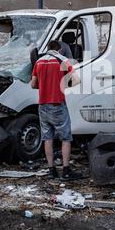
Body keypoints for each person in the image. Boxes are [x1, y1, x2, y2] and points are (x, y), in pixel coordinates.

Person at [30, 40, 82, 180]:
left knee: (47, 138)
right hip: (57, 104)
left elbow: (33, 84)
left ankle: (51, 170)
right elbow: (77, 80)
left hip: (43, 105)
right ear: (59, 50)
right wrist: (63, 85)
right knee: (65, 138)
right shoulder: (62, 60)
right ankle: (66, 171)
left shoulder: (39, 62)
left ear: (48, 49)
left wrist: (45, 85)